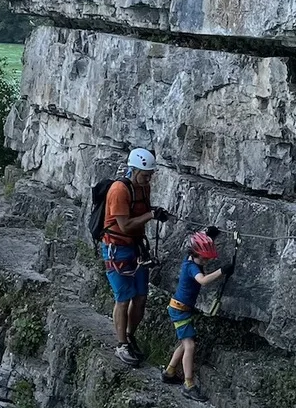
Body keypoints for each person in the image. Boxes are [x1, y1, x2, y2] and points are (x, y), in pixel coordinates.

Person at [101, 148, 169, 367]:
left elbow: (142, 214)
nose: (148, 179)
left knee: (140, 296)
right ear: (134, 170)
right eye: (145, 174)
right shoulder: (119, 191)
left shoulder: (143, 187)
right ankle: (121, 344)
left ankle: (130, 336)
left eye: (150, 175)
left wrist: (155, 212)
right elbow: (126, 225)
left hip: (136, 247)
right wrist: (150, 215)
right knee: (123, 297)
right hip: (117, 248)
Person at [161, 230, 234, 403]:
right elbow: (202, 280)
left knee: (186, 343)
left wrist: (209, 235)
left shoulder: (192, 258)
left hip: (182, 309)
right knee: (190, 346)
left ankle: (170, 372)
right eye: (204, 258)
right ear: (194, 254)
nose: (206, 261)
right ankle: (189, 384)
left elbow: (198, 242)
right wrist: (222, 271)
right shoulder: (191, 266)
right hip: (180, 310)